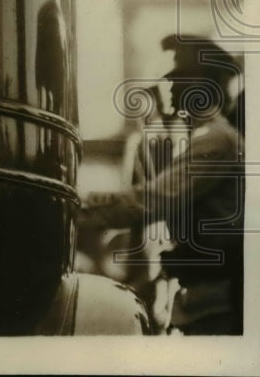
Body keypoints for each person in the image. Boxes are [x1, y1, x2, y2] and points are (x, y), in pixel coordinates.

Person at [82, 35, 244, 335]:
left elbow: (150, 201)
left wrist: (76, 205)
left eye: (179, 78)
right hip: (197, 300)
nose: (168, 87)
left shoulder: (216, 140)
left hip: (214, 304)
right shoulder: (205, 139)